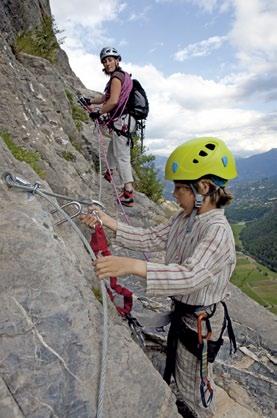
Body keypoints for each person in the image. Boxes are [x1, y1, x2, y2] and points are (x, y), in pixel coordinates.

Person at [80, 137, 238, 417]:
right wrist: (107, 220)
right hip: (186, 314)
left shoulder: (218, 232)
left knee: (194, 385)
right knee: (181, 368)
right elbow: (152, 237)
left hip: (199, 320)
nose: (174, 194)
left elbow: (191, 276)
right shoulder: (185, 218)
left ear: (202, 187)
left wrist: (131, 266)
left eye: (179, 188)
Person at [87, 46, 136, 207]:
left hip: (123, 121)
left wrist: (98, 112)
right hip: (127, 120)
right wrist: (90, 101)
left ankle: (128, 193)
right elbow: (105, 97)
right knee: (114, 147)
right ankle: (109, 172)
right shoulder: (122, 76)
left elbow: (113, 101)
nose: (107, 63)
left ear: (117, 60)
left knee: (122, 156)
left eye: (110, 60)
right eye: (104, 61)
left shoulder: (116, 77)